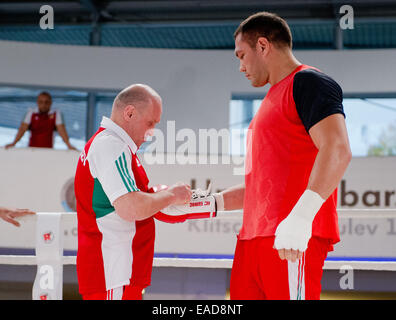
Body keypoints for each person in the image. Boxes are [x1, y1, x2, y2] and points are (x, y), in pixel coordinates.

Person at [163, 11, 351, 300]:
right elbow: (261, 186)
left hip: (288, 240)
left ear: (262, 46)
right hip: (252, 240)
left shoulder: (309, 82)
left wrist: (301, 218)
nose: (240, 66)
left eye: (241, 55)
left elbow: (337, 150)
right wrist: (204, 204)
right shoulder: (270, 100)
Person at [74, 84, 192, 300]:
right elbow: (130, 208)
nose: (152, 132)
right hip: (114, 273)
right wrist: (171, 195)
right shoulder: (111, 146)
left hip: (115, 275)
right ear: (129, 113)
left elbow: (133, 205)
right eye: (150, 123)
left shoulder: (112, 146)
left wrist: (164, 199)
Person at [5, 91, 77, 150]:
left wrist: (69, 145)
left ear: (50, 103)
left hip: (48, 150)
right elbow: (22, 129)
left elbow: (62, 130)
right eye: (41, 102)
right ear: (37, 102)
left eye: (46, 102)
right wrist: (14, 143)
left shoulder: (56, 114)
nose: (44, 104)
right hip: (32, 150)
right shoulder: (31, 113)